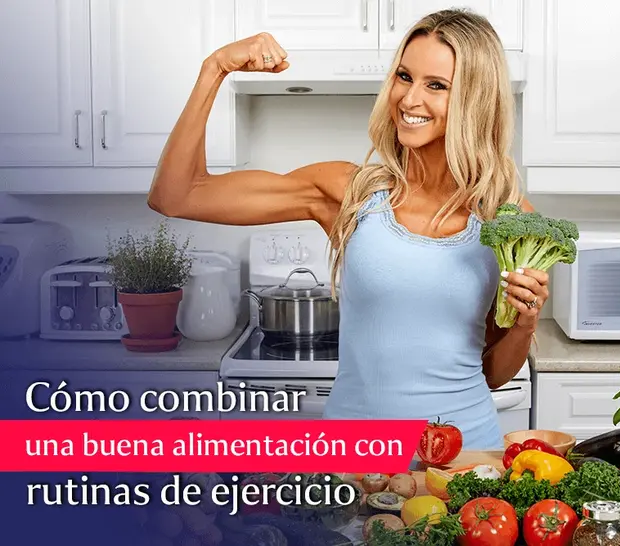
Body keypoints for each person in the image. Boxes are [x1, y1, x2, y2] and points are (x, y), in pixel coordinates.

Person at [147, 9, 549, 450]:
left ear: (475, 99)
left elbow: (491, 371)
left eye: (437, 85)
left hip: (461, 462)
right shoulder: (351, 192)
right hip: (354, 456)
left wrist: (525, 324)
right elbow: (177, 195)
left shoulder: (507, 216)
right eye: (404, 76)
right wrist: (214, 69)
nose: (410, 100)